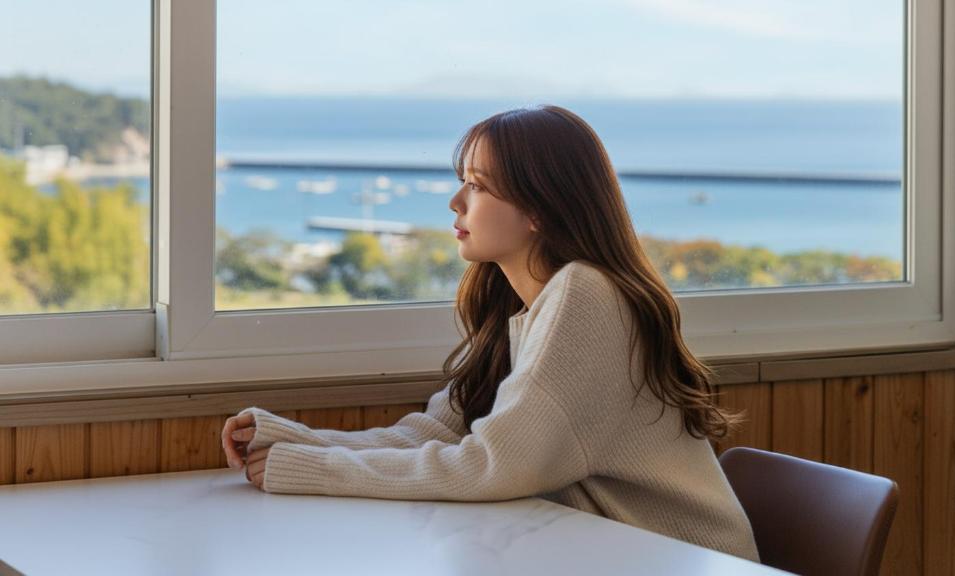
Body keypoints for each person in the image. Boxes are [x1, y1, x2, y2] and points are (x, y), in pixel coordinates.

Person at [221, 105, 760, 562]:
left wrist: (313, 468)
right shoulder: (523, 305)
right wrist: (290, 438)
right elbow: (433, 437)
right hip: (600, 553)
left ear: (538, 209)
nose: (456, 201)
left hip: (680, 559)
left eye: (477, 185)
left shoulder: (587, 293)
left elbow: (494, 467)